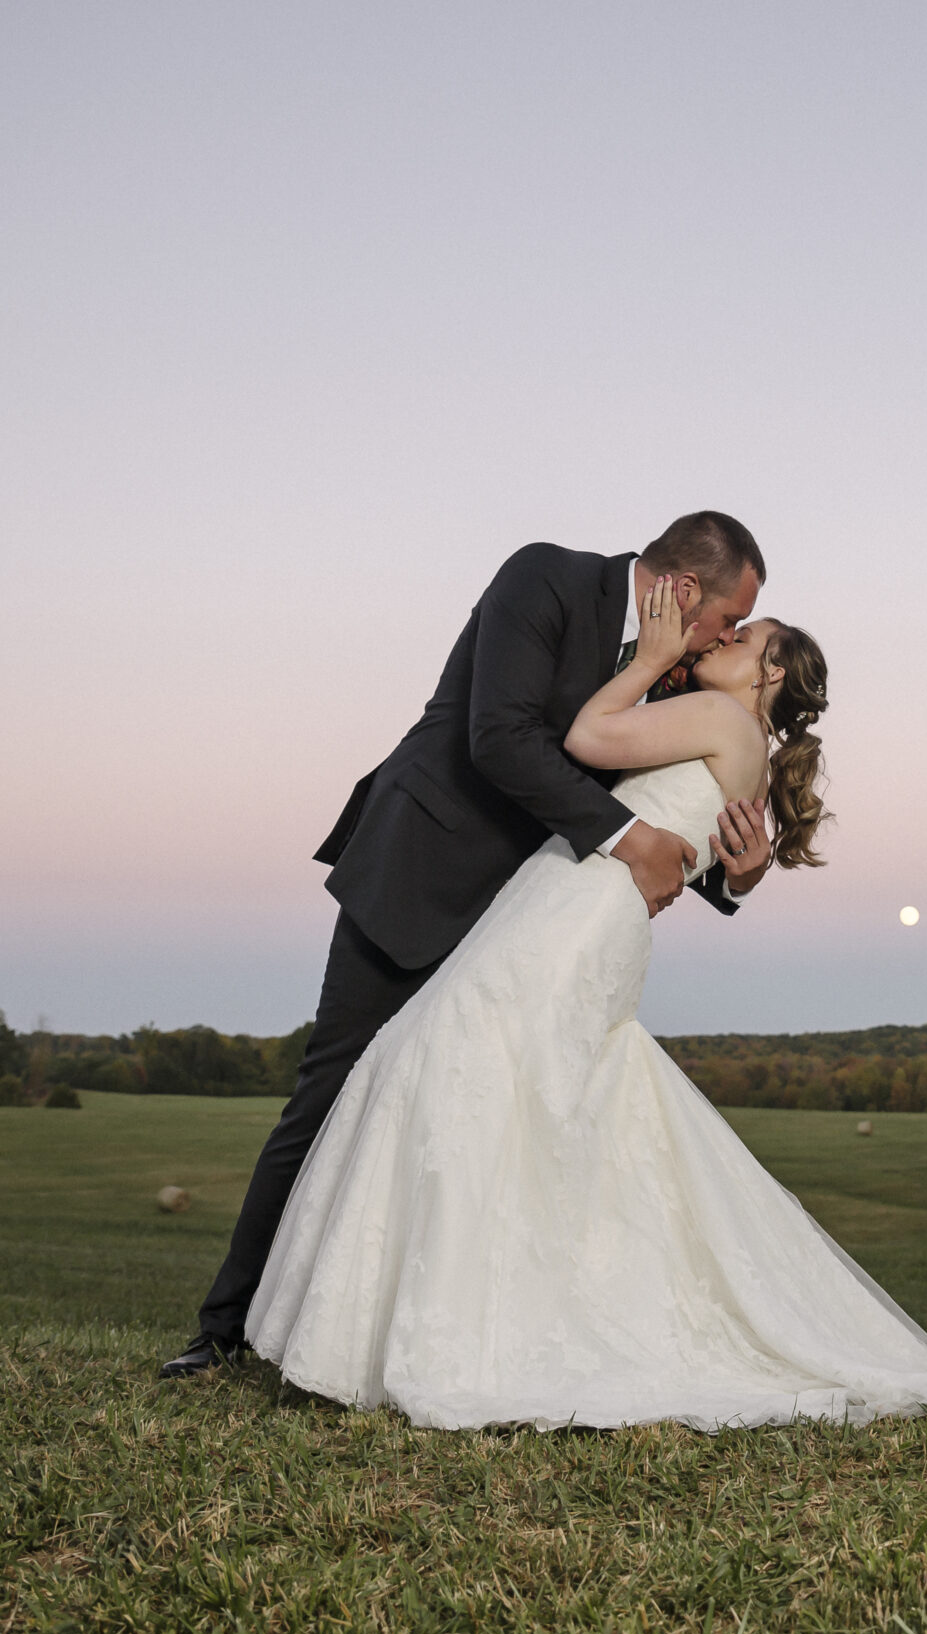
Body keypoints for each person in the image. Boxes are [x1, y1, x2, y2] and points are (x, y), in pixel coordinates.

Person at [242, 572, 927, 1428]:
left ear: (771, 677)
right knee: (516, 1083)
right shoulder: (739, 734)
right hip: (579, 907)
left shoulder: (719, 715)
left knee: (456, 1053)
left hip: (574, 911)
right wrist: (736, 871)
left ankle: (445, 1334)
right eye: (730, 624)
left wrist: (650, 657)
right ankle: (461, 1320)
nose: (724, 639)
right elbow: (710, 853)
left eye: (747, 639)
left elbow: (591, 736)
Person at [160, 512, 776, 1379]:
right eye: (724, 619)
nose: (726, 638)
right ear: (681, 589)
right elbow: (501, 737)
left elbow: (673, 794)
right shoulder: (546, 579)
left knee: (478, 1127)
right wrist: (626, 836)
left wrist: (734, 875)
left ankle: (398, 1339)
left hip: (524, 927)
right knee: (331, 1095)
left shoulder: (674, 678)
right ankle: (223, 1332)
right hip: (419, 870)